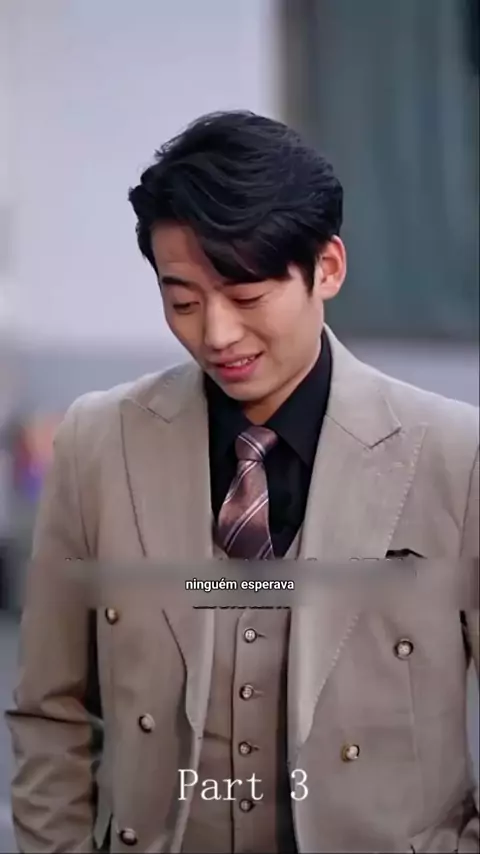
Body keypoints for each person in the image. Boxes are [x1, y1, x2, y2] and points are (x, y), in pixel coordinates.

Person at [6, 111, 479, 854]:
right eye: (184, 301)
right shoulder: (98, 444)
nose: (217, 334)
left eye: (248, 295)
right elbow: (50, 710)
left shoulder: (456, 456)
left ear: (327, 268)